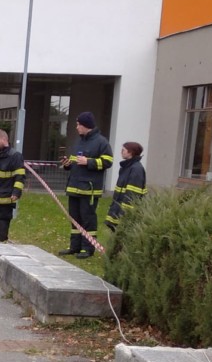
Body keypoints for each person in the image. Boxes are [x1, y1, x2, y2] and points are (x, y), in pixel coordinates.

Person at [58, 111, 113, 259]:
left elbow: (108, 162)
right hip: (74, 187)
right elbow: (75, 161)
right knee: (75, 219)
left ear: (86, 125)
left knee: (88, 219)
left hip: (89, 189)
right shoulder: (79, 141)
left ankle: (87, 248)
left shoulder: (101, 142)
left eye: (78, 125)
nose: (76, 127)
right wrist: (68, 164)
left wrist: (89, 162)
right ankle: (75, 246)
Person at [105, 141, 147, 232]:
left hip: (125, 211)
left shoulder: (136, 169)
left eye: (123, 150)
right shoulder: (126, 167)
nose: (121, 152)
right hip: (118, 207)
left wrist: (125, 213)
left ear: (131, 152)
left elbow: (132, 195)